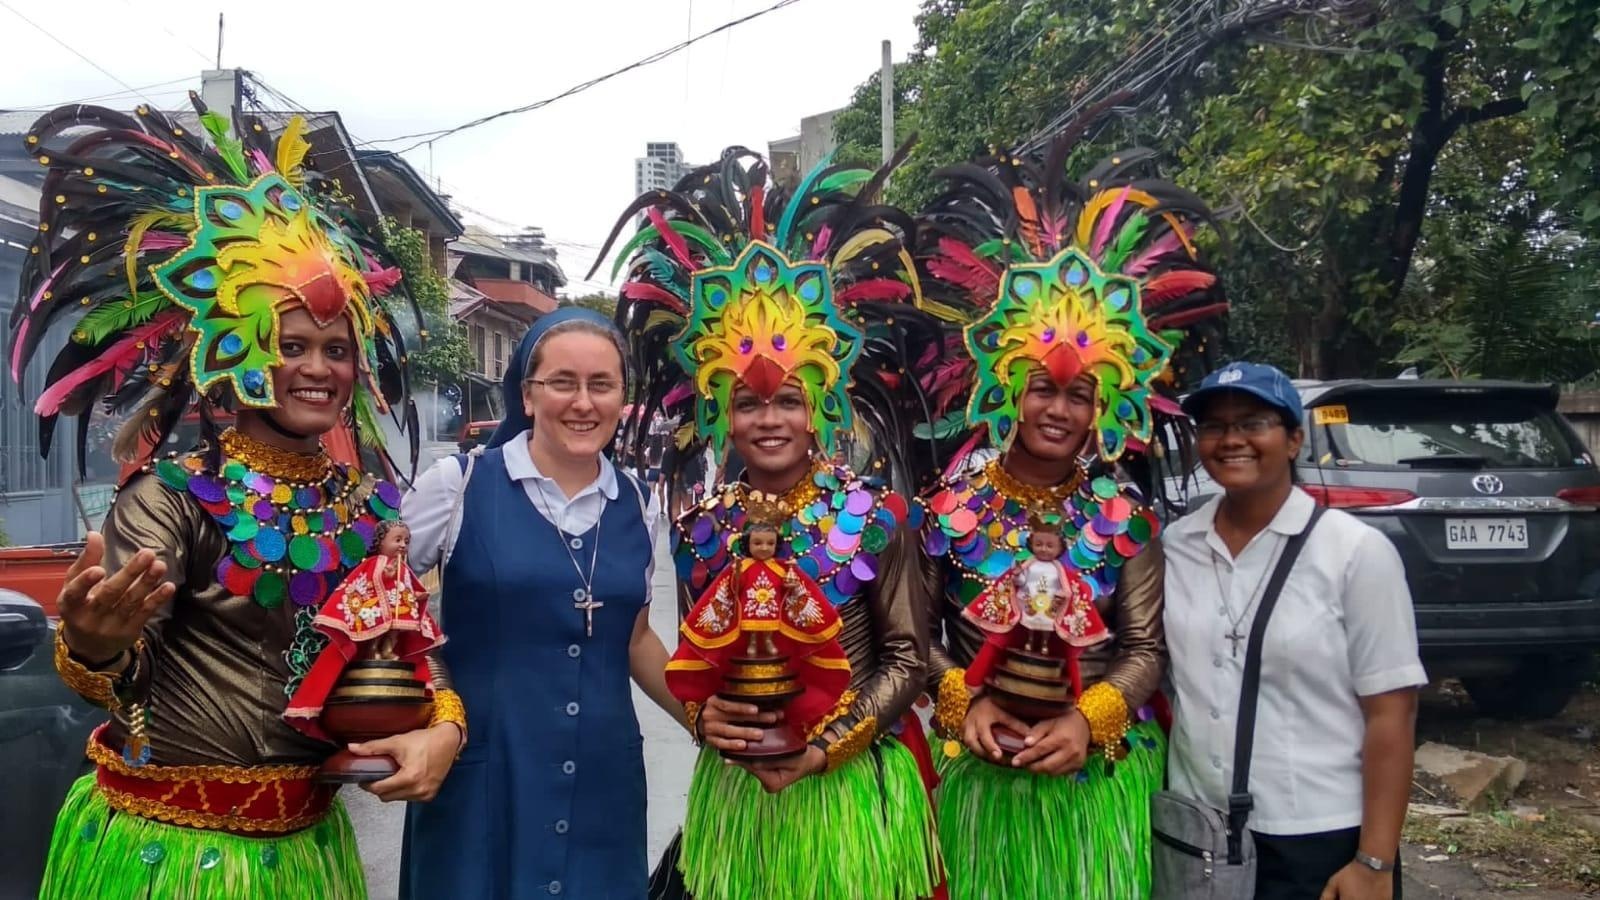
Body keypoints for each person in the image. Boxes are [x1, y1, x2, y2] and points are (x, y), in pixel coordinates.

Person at [14, 98, 464, 898]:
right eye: (291, 345)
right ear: (234, 351)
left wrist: (444, 732)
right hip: (172, 855)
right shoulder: (173, 499)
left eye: (336, 349)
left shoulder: (365, 508)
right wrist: (91, 644)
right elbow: (122, 678)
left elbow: (409, 658)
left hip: (306, 848)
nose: (318, 367)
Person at [598, 146, 939, 900]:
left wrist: (823, 751)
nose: (769, 418)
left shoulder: (876, 517)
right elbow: (696, 665)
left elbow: (908, 661)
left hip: (848, 800)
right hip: (738, 805)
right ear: (721, 411)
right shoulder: (701, 530)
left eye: (787, 400)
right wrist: (704, 718)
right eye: (749, 403)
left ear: (820, 405)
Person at [914, 135, 1227, 900]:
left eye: (1079, 395)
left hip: (1094, 786)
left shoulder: (1123, 513)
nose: (1057, 409)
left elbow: (1146, 646)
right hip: (978, 782)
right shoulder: (950, 507)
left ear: (1104, 407)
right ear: (1007, 390)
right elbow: (916, 637)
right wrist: (966, 701)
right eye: (1042, 390)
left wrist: (1090, 720)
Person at [401, 306, 679, 899]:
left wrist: (708, 721)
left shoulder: (636, 500)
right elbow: (383, 613)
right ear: (527, 395)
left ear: (621, 397)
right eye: (562, 383)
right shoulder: (459, 485)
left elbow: (635, 639)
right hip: (483, 776)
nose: (583, 402)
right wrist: (430, 713)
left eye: (601, 385)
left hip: (604, 786)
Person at [1163, 362, 1424, 900]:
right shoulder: (1174, 546)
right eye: (1214, 426)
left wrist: (1374, 861)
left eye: (1254, 422)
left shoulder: (1355, 553)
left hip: (1318, 839)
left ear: (1294, 439)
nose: (1232, 439)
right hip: (1199, 833)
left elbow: (1391, 713)